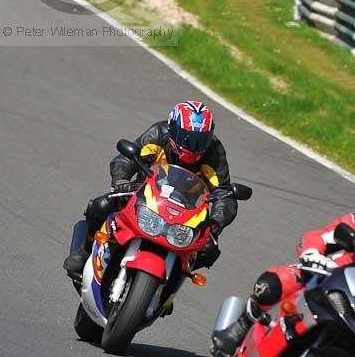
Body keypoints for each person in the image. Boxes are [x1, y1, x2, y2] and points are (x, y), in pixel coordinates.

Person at [64, 101, 238, 278]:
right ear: (173, 130)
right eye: (187, 138)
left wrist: (215, 224)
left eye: (200, 140)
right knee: (100, 205)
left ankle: (172, 280)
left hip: (186, 213)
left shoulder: (214, 152)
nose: (193, 146)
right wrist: (121, 180)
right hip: (143, 196)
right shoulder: (159, 134)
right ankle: (86, 251)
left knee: (209, 249)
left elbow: (224, 193)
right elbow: (126, 159)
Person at [211, 212, 355, 356]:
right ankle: (242, 327)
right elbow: (317, 237)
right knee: (270, 285)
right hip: (331, 282)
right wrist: (312, 254)